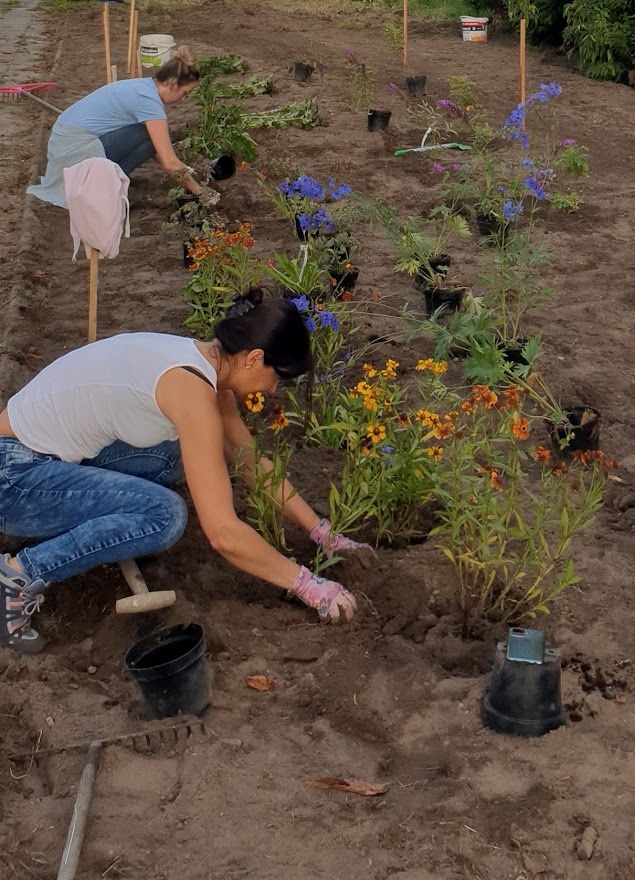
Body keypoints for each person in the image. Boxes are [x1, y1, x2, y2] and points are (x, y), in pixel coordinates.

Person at [0, 289, 373, 655]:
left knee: (175, 455)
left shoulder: (202, 365)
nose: (274, 390)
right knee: (163, 515)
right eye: (278, 377)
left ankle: (102, 521)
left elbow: (249, 462)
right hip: (14, 476)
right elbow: (223, 534)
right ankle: (17, 575)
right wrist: (306, 584)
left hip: (41, 455)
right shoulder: (191, 392)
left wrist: (321, 532)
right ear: (254, 358)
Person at [27, 45, 218, 209]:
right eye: (185, 93)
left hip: (65, 143)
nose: (183, 99)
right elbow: (168, 160)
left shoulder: (142, 87)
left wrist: (182, 169)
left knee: (149, 137)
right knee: (148, 134)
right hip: (74, 152)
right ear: (173, 83)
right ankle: (106, 184)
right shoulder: (148, 103)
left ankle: (113, 179)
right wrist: (199, 191)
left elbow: (158, 152)